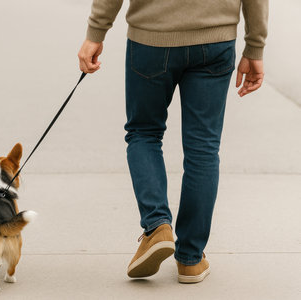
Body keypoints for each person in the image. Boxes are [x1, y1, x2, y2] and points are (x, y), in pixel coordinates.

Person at [78, 0, 268, 283]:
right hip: (215, 39)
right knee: (203, 147)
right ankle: (190, 259)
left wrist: (96, 33)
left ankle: (157, 226)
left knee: (144, 133)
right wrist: (255, 46)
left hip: (151, 38)